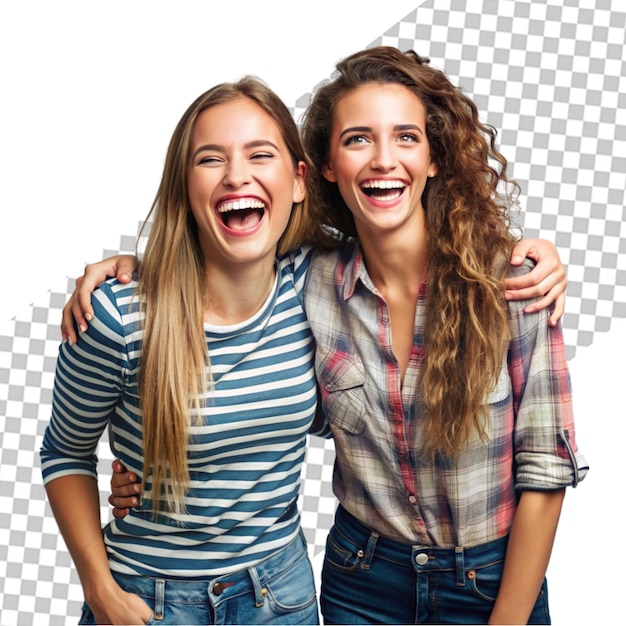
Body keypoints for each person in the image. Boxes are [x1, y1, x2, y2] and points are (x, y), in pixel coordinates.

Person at [61, 48, 576, 625]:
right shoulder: (316, 284)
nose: (383, 160)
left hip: (486, 582)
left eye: (406, 137)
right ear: (326, 166)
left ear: (436, 157)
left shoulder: (515, 285)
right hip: (361, 581)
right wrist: (133, 266)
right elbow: (217, 281)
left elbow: (546, 472)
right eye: (357, 139)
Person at [40, 77, 322, 625]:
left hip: (280, 595)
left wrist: (536, 255)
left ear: (298, 180)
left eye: (260, 155)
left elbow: (406, 229)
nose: (237, 174)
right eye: (210, 159)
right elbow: (65, 453)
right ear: (184, 188)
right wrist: (102, 593)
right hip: (147, 600)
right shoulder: (119, 319)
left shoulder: (316, 285)